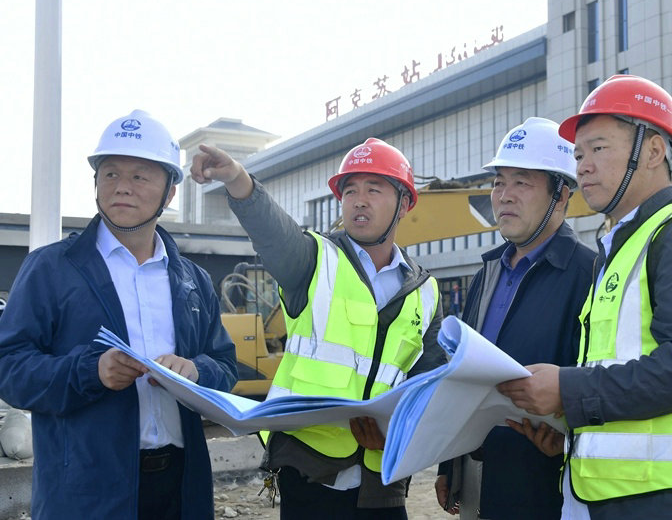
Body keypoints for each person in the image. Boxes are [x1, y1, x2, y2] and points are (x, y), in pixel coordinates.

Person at [497, 75, 672, 520]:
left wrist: (566, 389)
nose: (584, 166)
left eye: (598, 148)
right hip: (611, 493)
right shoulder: (617, 251)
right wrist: (571, 435)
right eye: (578, 155)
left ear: (653, 151)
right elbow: (618, 377)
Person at [190, 137, 446, 519]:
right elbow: (272, 233)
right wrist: (238, 180)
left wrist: (398, 432)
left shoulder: (425, 290)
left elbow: (430, 381)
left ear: (405, 204)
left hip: (382, 477)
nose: (359, 201)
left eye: (374, 189)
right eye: (350, 190)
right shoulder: (313, 261)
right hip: (310, 471)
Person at [0, 110, 238, 519]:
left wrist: (196, 372)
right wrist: (91, 372)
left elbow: (226, 366)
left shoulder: (193, 281)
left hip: (179, 488)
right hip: (86, 495)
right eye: (110, 174)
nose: (122, 187)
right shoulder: (51, 269)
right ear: (95, 184)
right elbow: (9, 367)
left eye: (139, 176)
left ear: (169, 194)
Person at [435, 117, 595, 519]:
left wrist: (566, 443)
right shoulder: (487, 274)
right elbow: (466, 375)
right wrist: (450, 466)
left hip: (543, 486)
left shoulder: (589, 274)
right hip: (480, 476)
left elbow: (599, 382)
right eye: (498, 182)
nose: (504, 196)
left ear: (562, 194)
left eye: (521, 182)